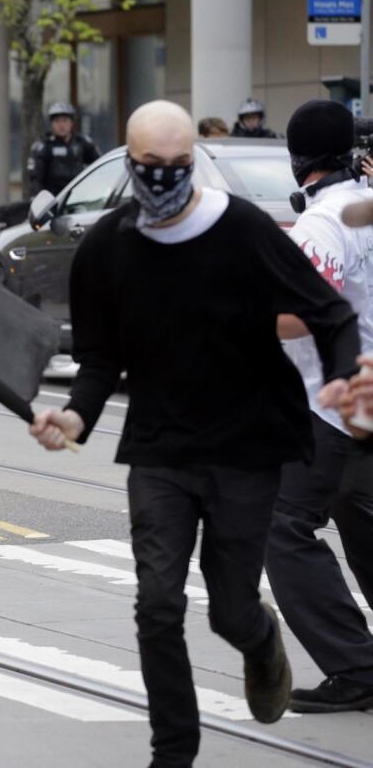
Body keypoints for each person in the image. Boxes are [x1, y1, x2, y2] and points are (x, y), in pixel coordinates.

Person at [28, 99, 360, 767]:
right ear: (129, 162)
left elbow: (328, 312)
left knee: (230, 609)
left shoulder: (240, 228)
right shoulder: (106, 247)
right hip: (160, 449)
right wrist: (74, 417)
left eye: (179, 165)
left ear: (193, 162)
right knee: (156, 604)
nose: (164, 178)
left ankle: (260, 636)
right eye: (150, 166)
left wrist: (345, 376)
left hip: (246, 447)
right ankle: (172, 752)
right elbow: (98, 359)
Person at [265, 99, 373, 714]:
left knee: (283, 526)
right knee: (358, 517)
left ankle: (357, 668)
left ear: (297, 156)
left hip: (329, 404)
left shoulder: (326, 222)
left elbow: (303, 313)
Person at [26, 101, 100, 198]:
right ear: (51, 124)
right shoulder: (43, 146)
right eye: (57, 121)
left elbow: (98, 165)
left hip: (78, 197)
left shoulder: (82, 143)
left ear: (72, 123)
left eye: (65, 120)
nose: (61, 125)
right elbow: (35, 178)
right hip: (53, 199)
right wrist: (38, 199)